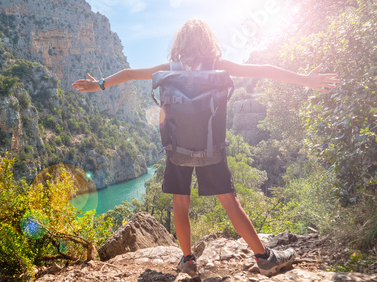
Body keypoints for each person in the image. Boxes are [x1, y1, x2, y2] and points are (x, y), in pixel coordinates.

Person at [72, 19, 339, 277]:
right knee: (230, 202)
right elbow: (264, 69)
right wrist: (306, 79)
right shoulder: (218, 64)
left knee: (180, 202)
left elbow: (130, 74)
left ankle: (187, 260)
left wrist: (99, 85)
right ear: (208, 41)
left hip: (177, 149)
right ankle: (264, 258)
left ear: (180, 42)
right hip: (211, 147)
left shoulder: (170, 67)